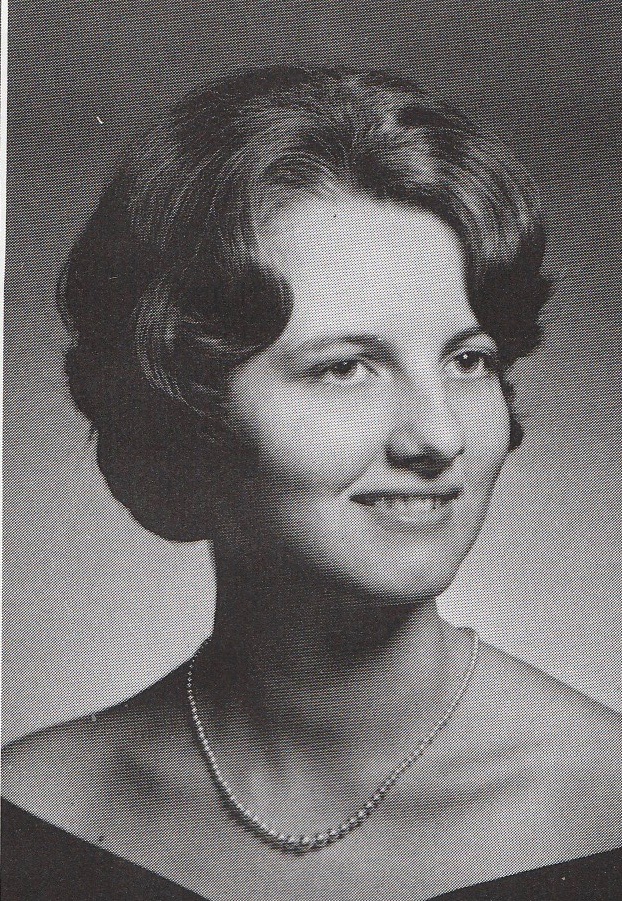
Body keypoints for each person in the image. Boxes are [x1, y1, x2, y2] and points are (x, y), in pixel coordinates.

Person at [2, 66, 621, 901]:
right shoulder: (30, 814)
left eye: (468, 360)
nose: (440, 436)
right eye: (345, 368)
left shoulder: (606, 801)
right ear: (184, 413)